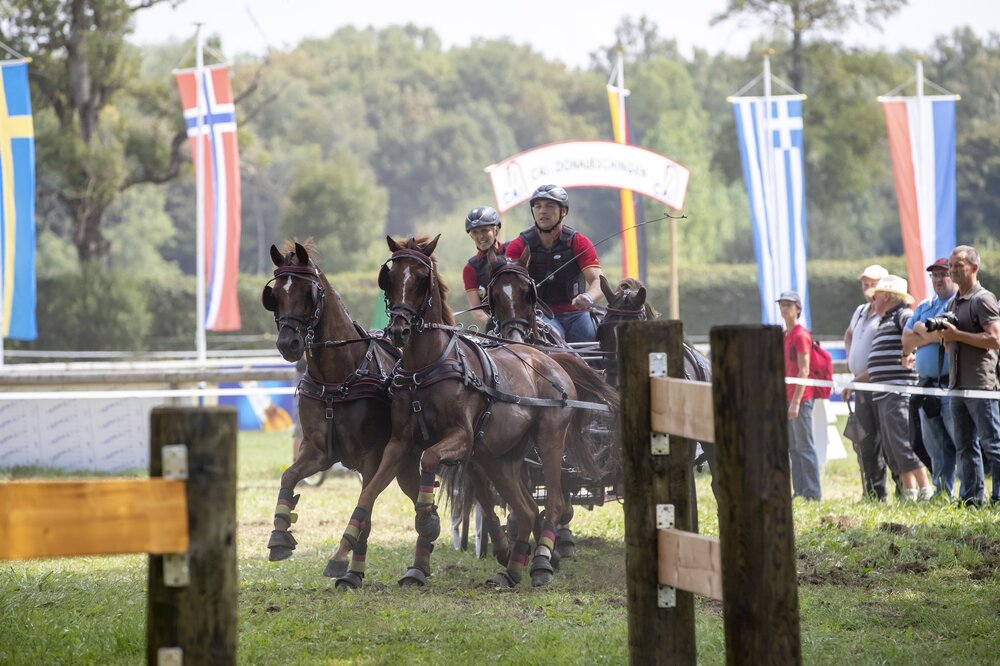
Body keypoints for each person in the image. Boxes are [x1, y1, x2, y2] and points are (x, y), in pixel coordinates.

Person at [937, 245, 1000, 507]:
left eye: (958, 265)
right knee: (964, 446)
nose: (952, 270)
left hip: (980, 385)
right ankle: (971, 499)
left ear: (974, 267)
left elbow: (995, 339)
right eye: (950, 265)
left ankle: (998, 497)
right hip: (957, 384)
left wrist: (957, 335)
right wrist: (946, 338)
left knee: (993, 444)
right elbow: (953, 342)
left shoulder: (983, 299)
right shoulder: (953, 302)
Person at [503, 184, 604, 343]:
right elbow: (509, 286)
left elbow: (598, 281)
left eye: (549, 206)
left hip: (578, 315)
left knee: (595, 338)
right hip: (540, 315)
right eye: (538, 206)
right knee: (552, 340)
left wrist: (588, 298)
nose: (542, 211)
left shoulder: (579, 242)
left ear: (564, 211)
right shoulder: (518, 246)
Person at [866, 275, 933, 501]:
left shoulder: (902, 314)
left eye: (875, 296)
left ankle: (925, 489)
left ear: (886, 296)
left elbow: (916, 334)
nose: (872, 301)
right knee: (892, 446)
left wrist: (911, 353)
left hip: (898, 391)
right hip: (885, 392)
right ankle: (909, 491)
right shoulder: (885, 319)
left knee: (903, 442)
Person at [902, 258, 959, 498]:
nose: (939, 279)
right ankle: (942, 492)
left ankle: (969, 494)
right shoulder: (925, 305)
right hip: (927, 386)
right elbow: (906, 341)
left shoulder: (959, 303)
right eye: (935, 275)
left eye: (943, 274)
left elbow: (947, 336)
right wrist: (931, 334)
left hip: (951, 384)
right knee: (936, 446)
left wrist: (919, 329)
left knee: (961, 443)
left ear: (953, 275)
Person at [843, 264, 890, 500]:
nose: (868, 288)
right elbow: (849, 334)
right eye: (865, 284)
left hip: (880, 385)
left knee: (888, 443)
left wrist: (857, 377)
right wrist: (851, 359)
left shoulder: (888, 314)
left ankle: (902, 490)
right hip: (862, 387)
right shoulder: (861, 311)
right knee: (865, 442)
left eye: (873, 284)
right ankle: (873, 493)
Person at [778, 291, 821, 500]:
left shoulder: (800, 335)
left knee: (805, 447)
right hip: (788, 397)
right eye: (782, 304)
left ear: (798, 309)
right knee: (794, 448)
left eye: (789, 304)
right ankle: (800, 490)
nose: (784, 308)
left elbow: (804, 370)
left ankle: (813, 492)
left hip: (801, 399)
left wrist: (795, 402)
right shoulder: (785, 335)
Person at [461, 206, 507, 329]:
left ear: (496, 230)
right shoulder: (470, 269)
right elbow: (476, 310)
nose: (480, 236)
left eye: (484, 230)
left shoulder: (512, 252)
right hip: (496, 328)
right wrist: (491, 322)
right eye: (475, 232)